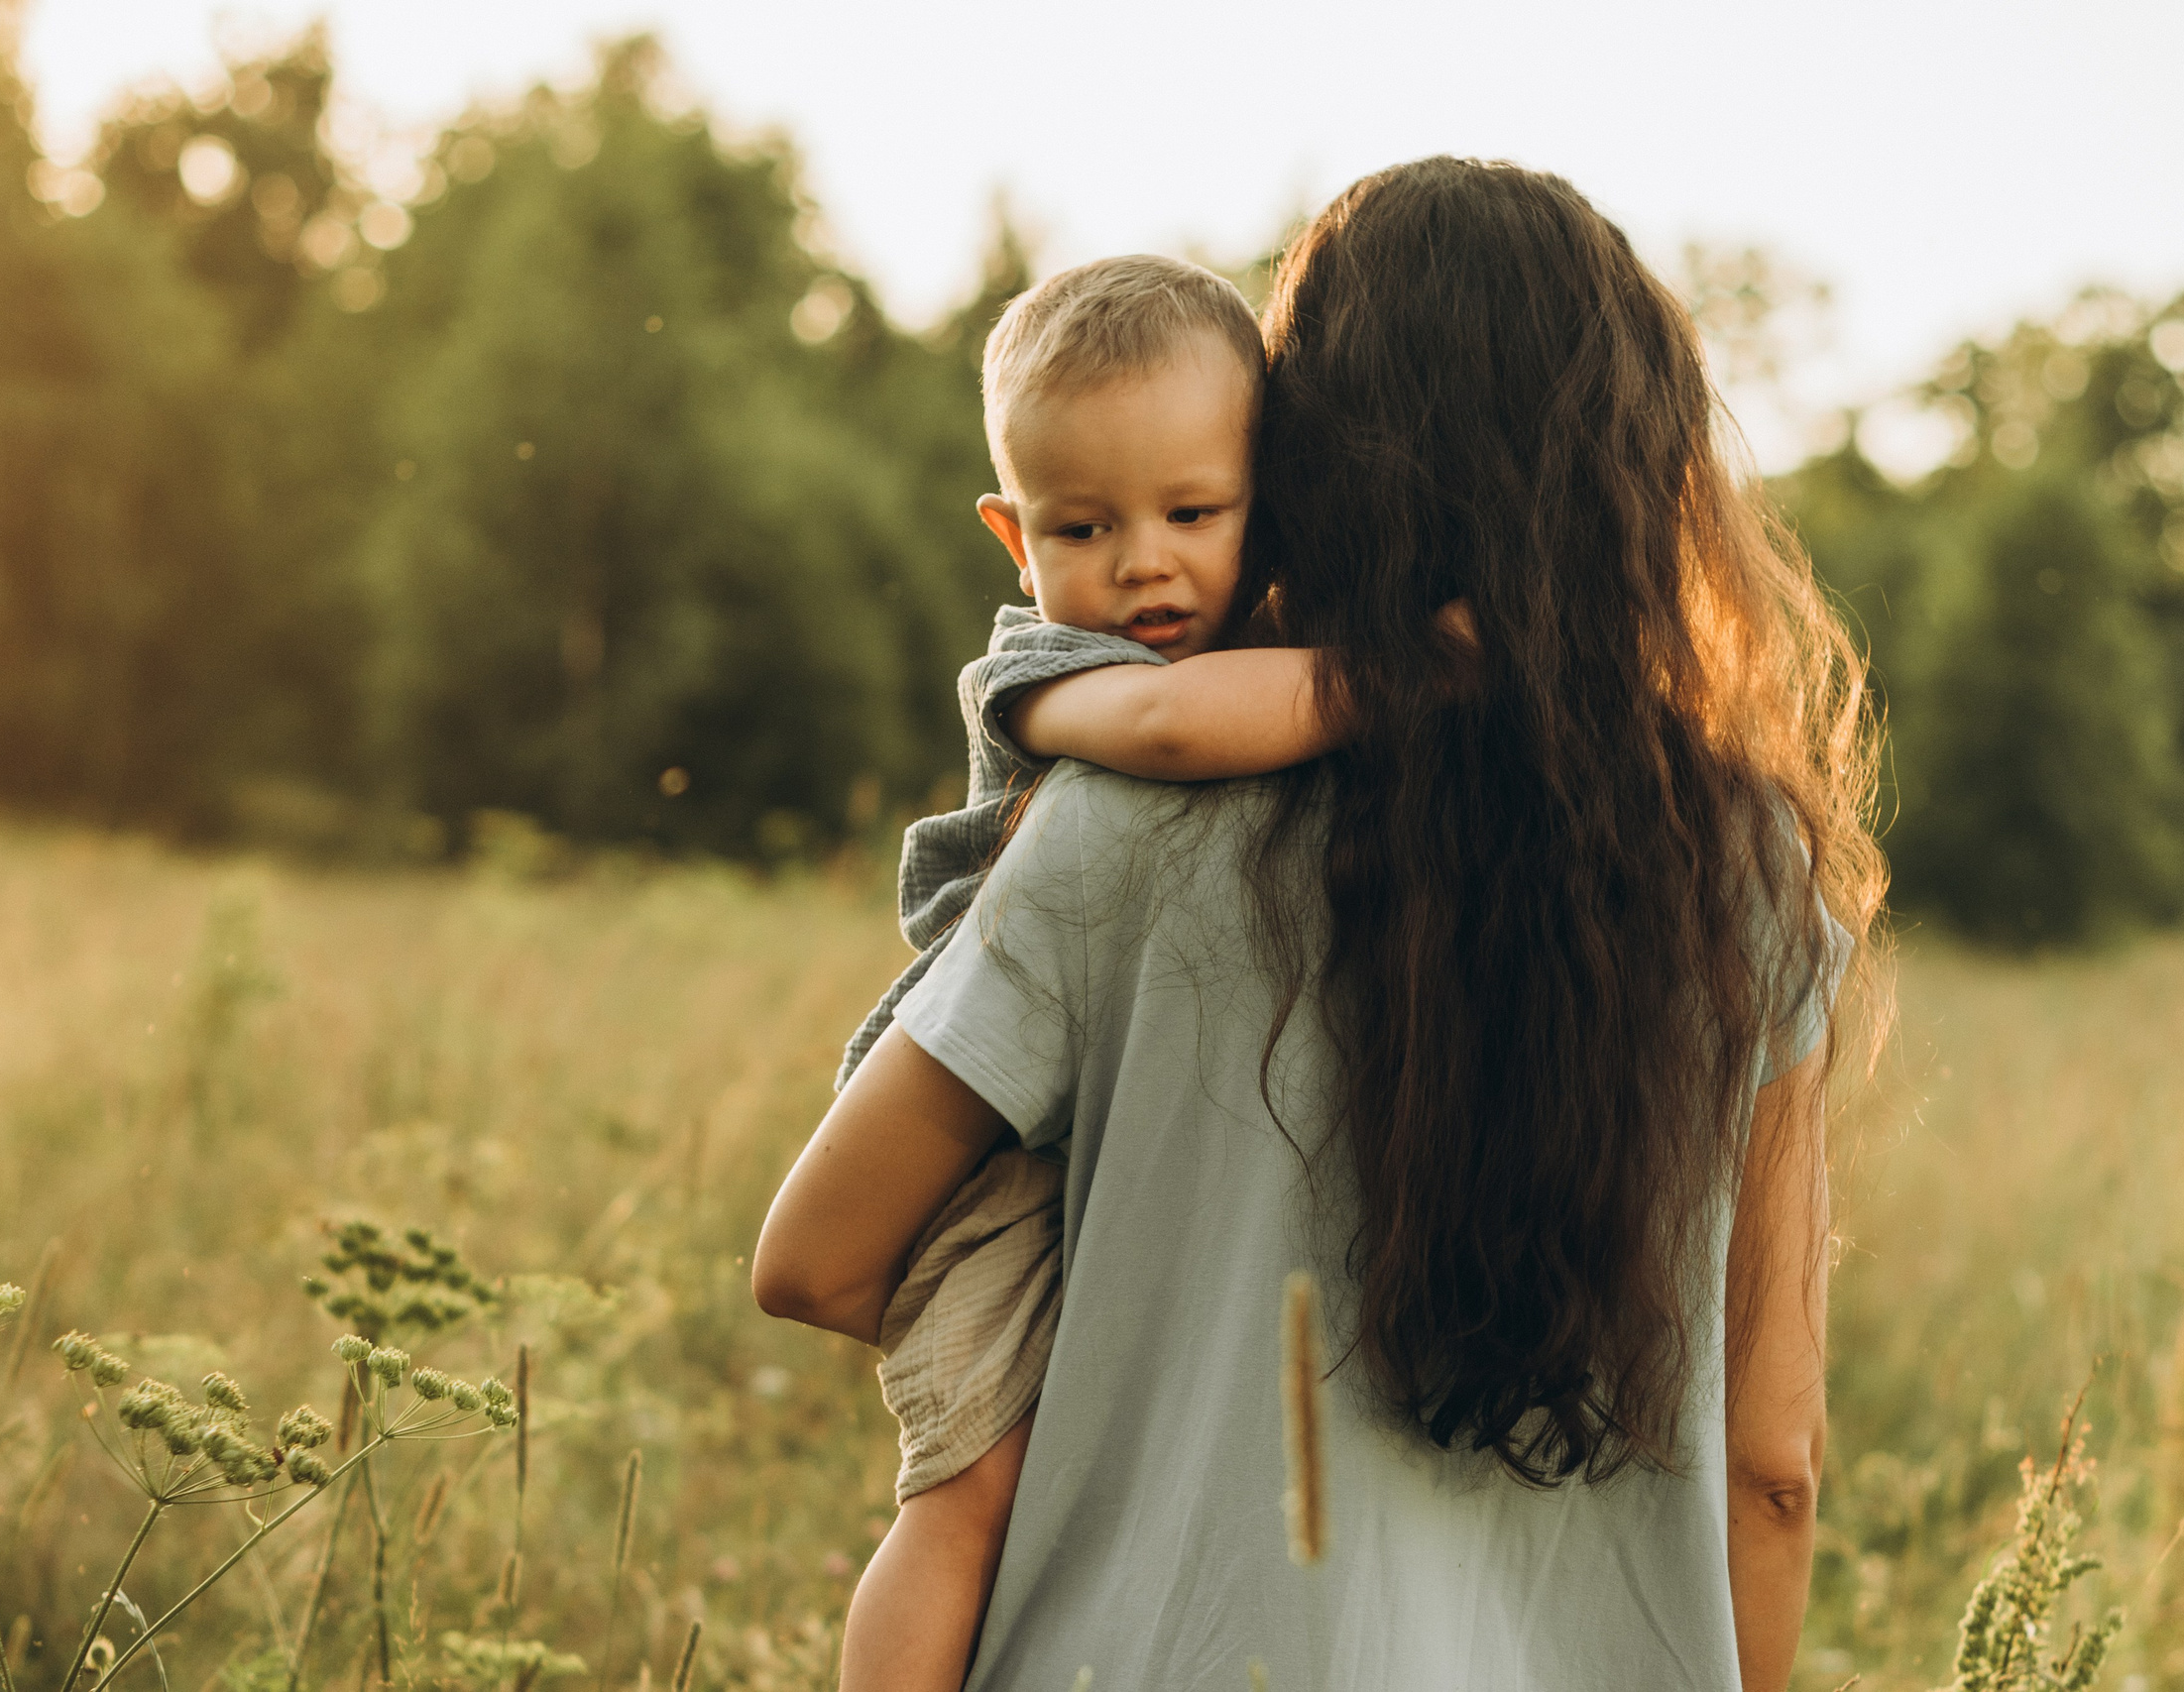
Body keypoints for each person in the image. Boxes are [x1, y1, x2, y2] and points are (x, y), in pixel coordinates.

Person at [755, 156, 1887, 1692]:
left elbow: (819, 1263)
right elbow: (1774, 1460)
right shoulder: (1751, 876)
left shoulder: (1121, 819)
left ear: (1307, 462)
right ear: (1643, 479)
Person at [820, 254, 1340, 1692]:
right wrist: (1412, 672)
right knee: (970, 1497)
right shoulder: (1048, 671)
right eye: (1084, 525)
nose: (1144, 563)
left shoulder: (1241, 636)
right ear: (1013, 537)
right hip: (983, 1143)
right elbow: (1177, 731)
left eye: (1193, 512)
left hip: (1091, 1125)